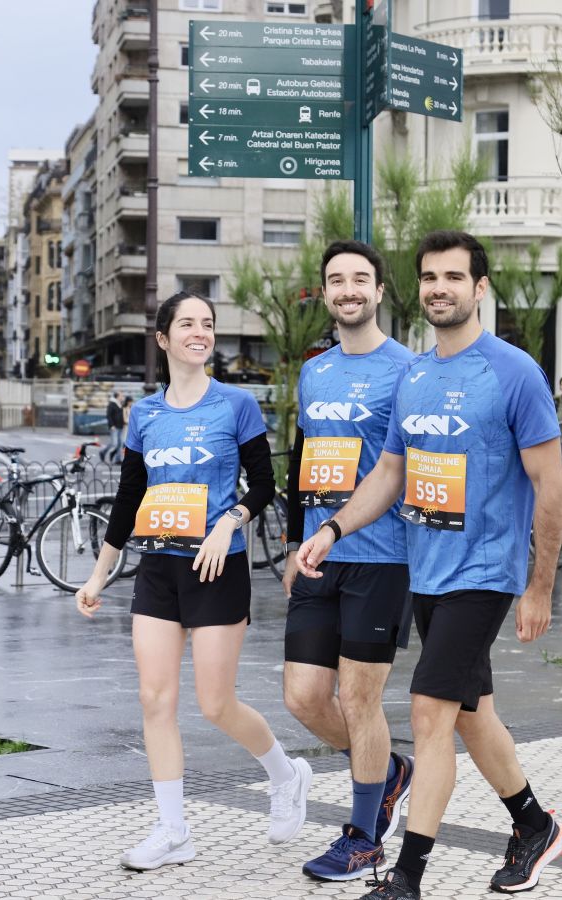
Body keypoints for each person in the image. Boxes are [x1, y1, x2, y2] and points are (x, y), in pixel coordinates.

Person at [296, 230, 562, 900]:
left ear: (480, 288)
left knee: (428, 713)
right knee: (472, 715)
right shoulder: (414, 375)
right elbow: (390, 472)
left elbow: (549, 487)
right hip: (426, 569)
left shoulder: (512, 372)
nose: (439, 288)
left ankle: (407, 876)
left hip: (484, 573)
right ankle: (534, 825)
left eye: (453, 277)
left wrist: (540, 588)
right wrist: (333, 527)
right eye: (429, 277)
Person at [74, 292, 312, 872]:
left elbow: (263, 484)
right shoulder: (145, 415)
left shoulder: (235, 405)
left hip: (216, 565)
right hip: (158, 567)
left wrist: (228, 522)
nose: (199, 332)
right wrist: (98, 574)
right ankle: (174, 829)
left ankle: (287, 774)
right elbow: (130, 500)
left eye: (207, 323)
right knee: (154, 699)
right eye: (187, 324)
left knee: (214, 704)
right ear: (163, 339)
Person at [281, 240, 416, 881]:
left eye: (360, 279)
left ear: (380, 291)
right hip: (317, 554)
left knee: (361, 699)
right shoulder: (316, 372)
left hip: (382, 557)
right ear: (326, 294)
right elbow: (303, 459)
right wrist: (293, 543)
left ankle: (364, 835)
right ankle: (387, 770)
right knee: (305, 697)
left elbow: (411, 469)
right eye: (337, 280)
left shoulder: (410, 370)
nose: (349, 290)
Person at [101, 390, 125, 464]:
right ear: (117, 396)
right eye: (121, 395)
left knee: (120, 443)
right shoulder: (112, 404)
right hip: (114, 427)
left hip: (120, 426)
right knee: (114, 443)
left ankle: (117, 459)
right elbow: (108, 415)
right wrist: (111, 425)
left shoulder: (120, 404)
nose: (122, 397)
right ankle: (103, 452)